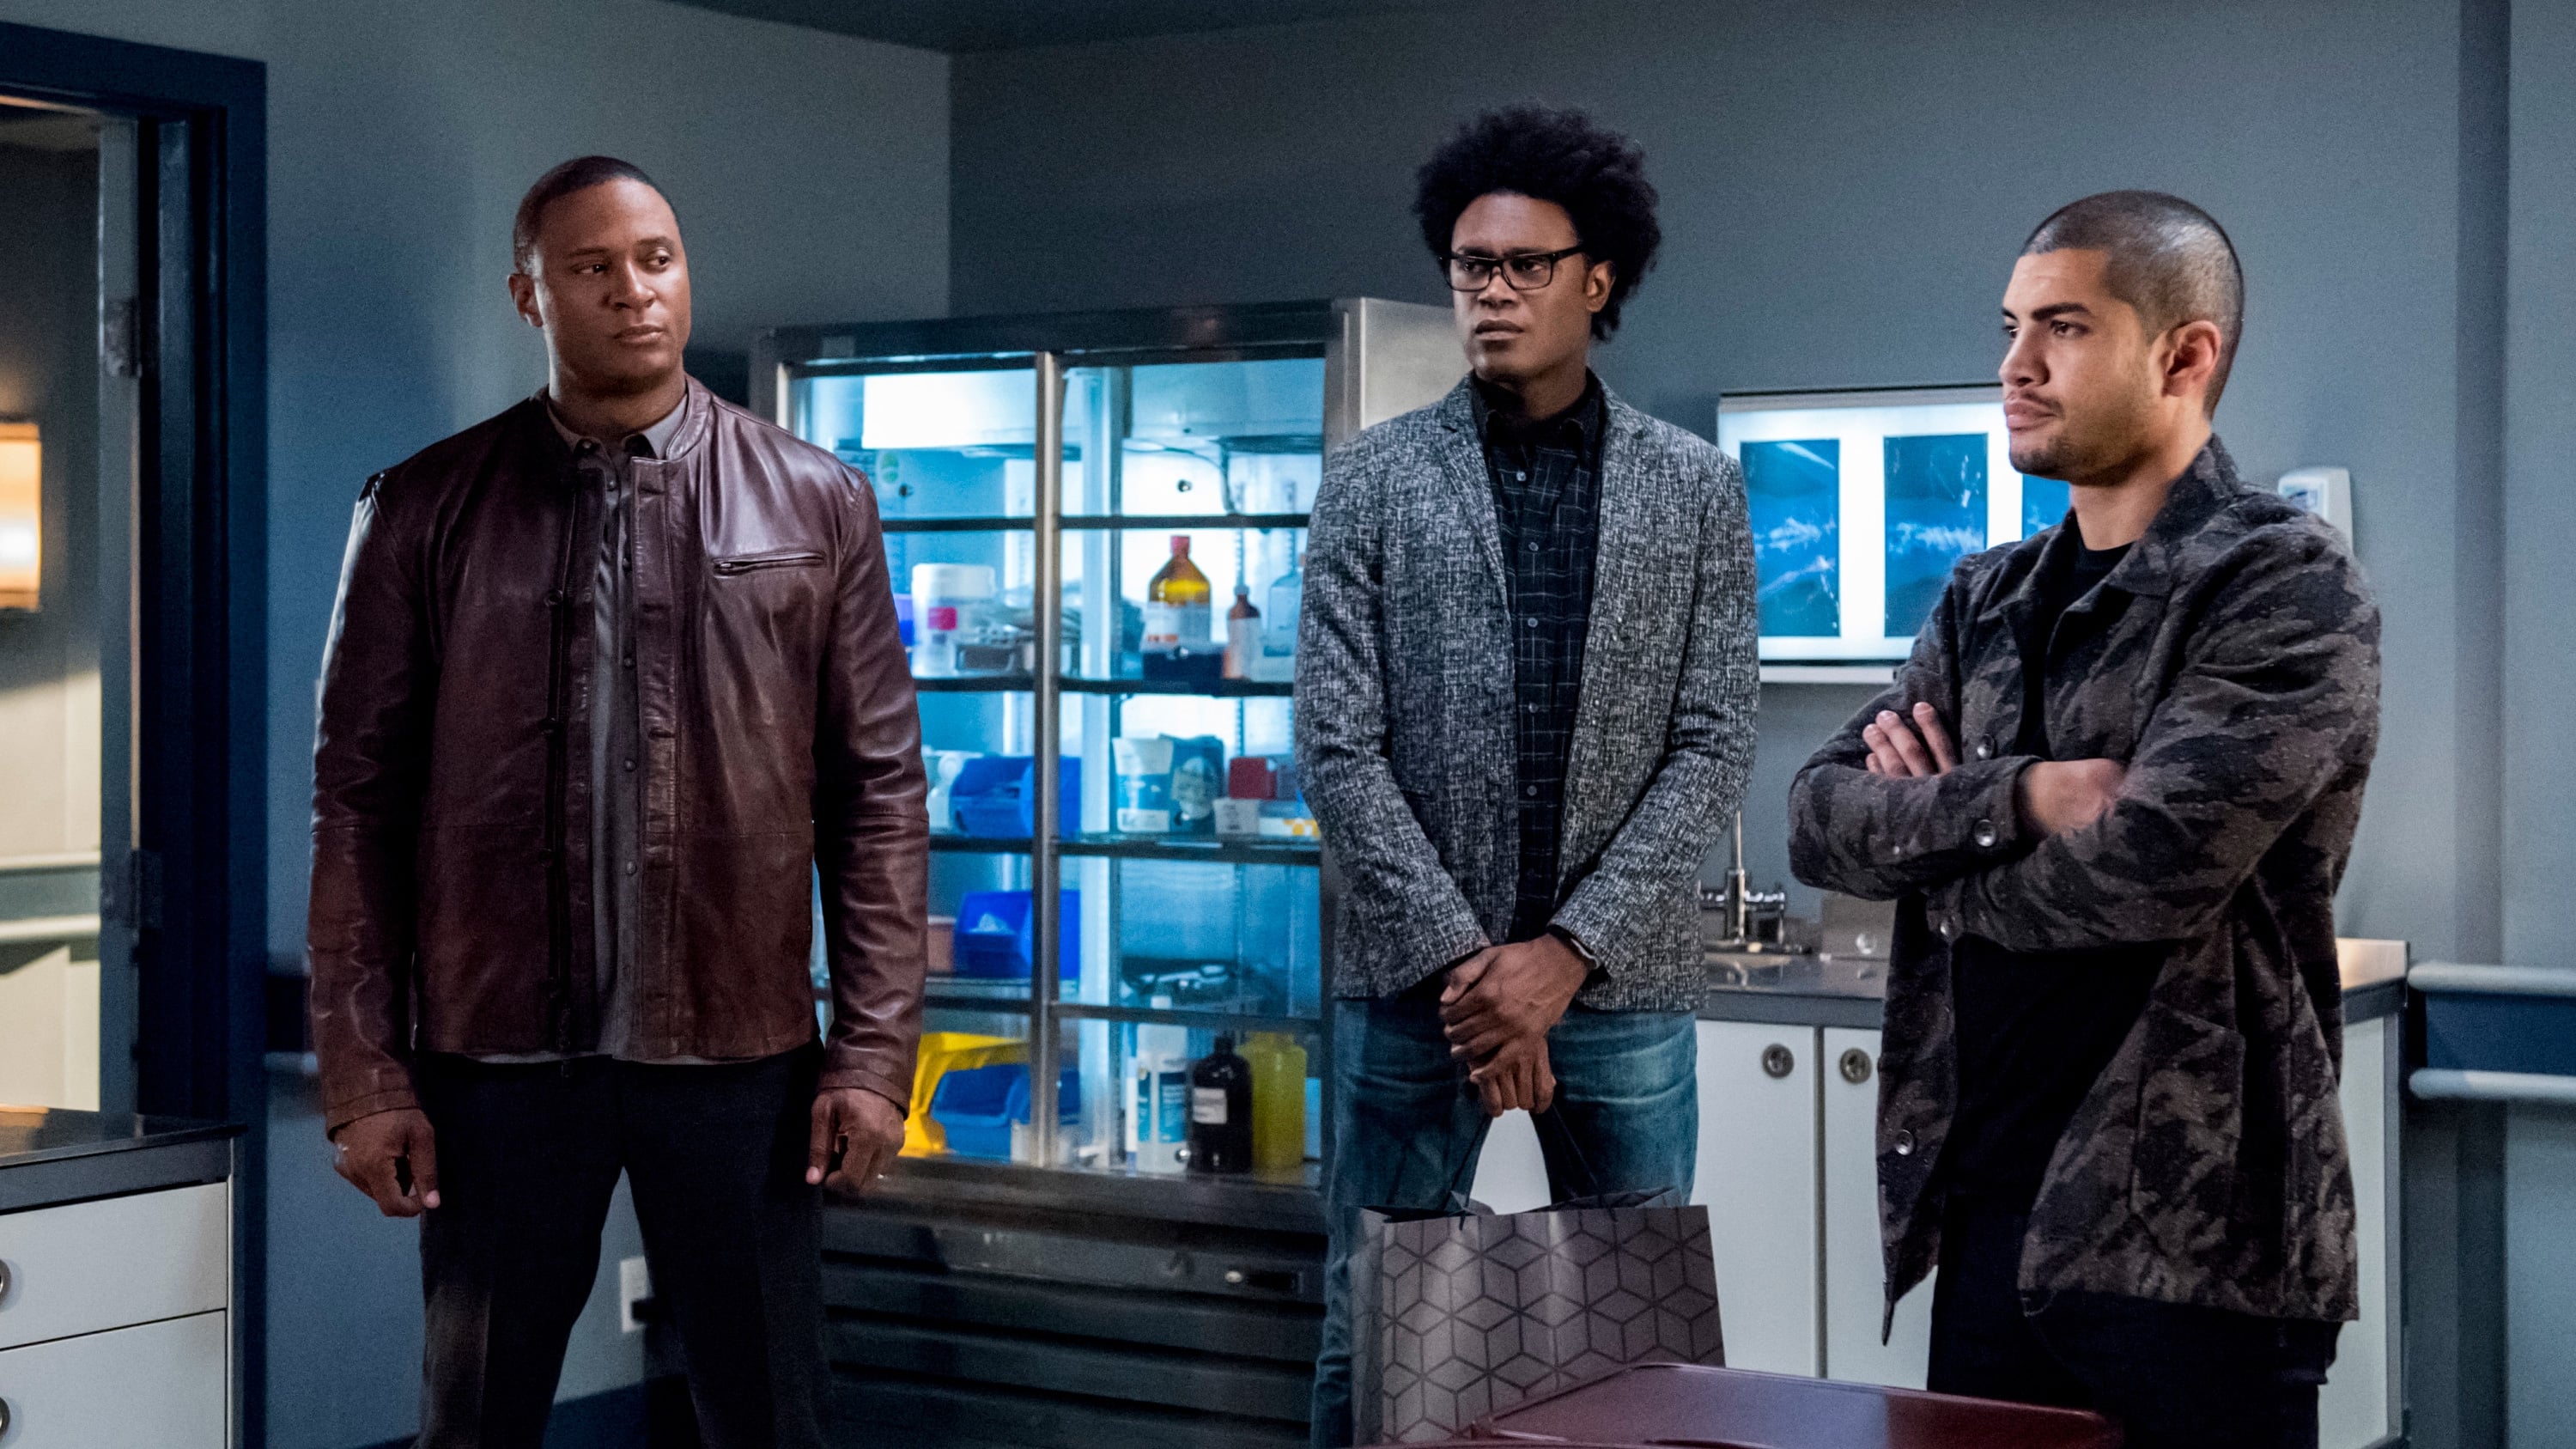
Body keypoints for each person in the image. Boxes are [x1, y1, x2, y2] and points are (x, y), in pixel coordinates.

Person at [307, 155, 927, 1449]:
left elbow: (877, 796)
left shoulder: (818, 500)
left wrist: (873, 1058)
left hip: (742, 1061)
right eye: (591, 267)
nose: (633, 292)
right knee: (473, 1421)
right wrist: (365, 1077)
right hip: (495, 1063)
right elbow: (356, 807)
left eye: (657, 260)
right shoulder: (422, 506)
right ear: (528, 296)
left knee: (772, 1418)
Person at [1788, 192, 2380, 1449]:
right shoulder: (1985, 598)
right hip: (1983, 1209)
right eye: (2010, 328)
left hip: (2191, 1244)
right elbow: (1819, 819)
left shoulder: (2280, 580)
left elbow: (2148, 871)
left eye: (2062, 327)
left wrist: (1935, 850)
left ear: (2184, 355)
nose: (2015, 364)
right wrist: (2024, 797)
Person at [1295, 105, 1759, 1446]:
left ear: (1596, 280)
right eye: (1470, 266)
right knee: (1371, 1334)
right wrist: (1473, 970)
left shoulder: (1696, 490)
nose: (1491, 292)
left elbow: (1714, 740)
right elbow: (1336, 746)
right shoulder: (1373, 480)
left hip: (1619, 992)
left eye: (1524, 266)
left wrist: (1562, 958)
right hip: (1415, 995)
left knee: (1644, 1348)